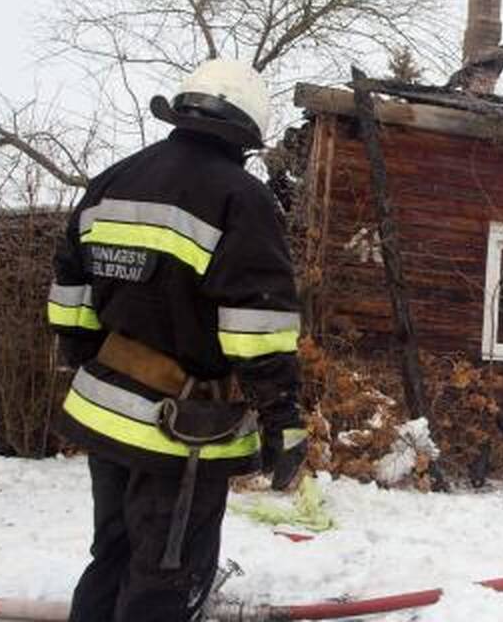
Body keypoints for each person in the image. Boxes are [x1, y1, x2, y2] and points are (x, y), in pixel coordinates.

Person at [47, 59, 308, 621]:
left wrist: (95, 360)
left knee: (111, 558)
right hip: (176, 431)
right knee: (163, 581)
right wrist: (281, 416)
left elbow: (70, 293)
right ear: (248, 130)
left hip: (102, 408)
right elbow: (257, 325)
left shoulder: (114, 179)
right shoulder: (241, 199)